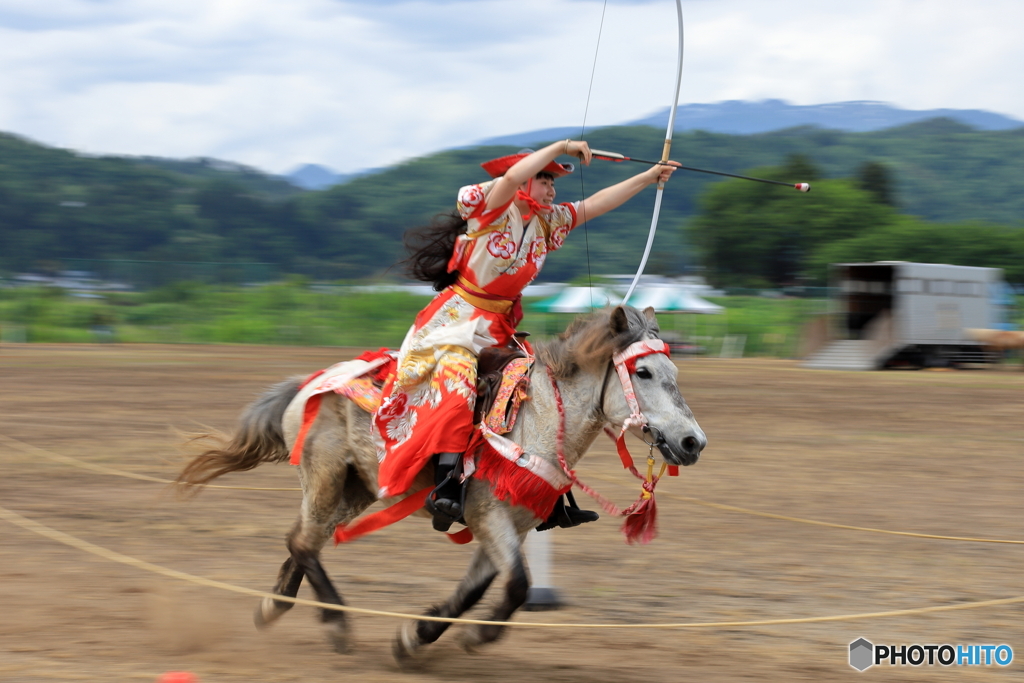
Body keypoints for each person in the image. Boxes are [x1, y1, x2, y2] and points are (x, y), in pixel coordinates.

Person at [372, 139, 679, 531]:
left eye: (554, 182)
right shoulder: (492, 208)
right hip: (454, 325)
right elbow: (514, 174)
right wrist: (563, 146)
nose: (553, 189)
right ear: (523, 184)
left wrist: (649, 177)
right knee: (460, 384)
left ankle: (550, 497)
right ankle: (447, 485)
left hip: (499, 326)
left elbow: (595, 204)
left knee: (541, 390)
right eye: (546, 180)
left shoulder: (546, 221)